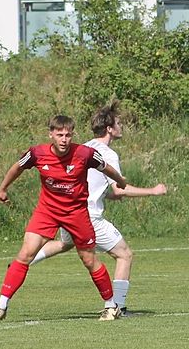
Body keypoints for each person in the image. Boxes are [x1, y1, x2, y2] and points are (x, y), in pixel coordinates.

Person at [0, 114, 128, 324]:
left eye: (68, 135)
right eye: (59, 135)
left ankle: (110, 306)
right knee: (25, 253)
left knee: (89, 260)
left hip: (76, 213)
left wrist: (120, 181)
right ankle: (1, 306)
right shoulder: (37, 153)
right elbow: (17, 167)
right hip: (47, 212)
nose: (64, 139)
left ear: (72, 135)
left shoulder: (85, 154)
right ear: (50, 134)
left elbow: (106, 167)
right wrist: (2, 188)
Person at [28, 100, 167, 316]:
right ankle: (118, 307)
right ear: (110, 129)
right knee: (124, 254)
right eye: (119, 123)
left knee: (66, 243)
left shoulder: (82, 148)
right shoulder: (108, 154)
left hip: (69, 212)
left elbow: (91, 184)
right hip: (88, 216)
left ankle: (25, 261)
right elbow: (120, 189)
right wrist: (153, 191)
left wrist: (107, 195)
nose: (122, 126)